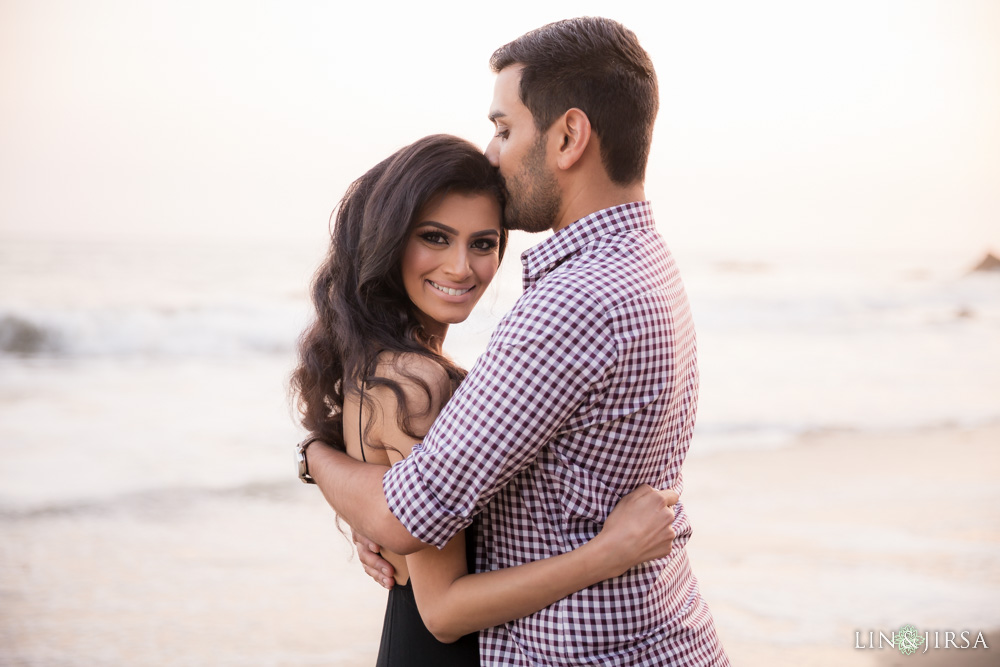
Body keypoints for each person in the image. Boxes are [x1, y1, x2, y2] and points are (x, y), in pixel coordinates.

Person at [305, 17, 730, 666]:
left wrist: (313, 456)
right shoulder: (648, 264)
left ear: (568, 136)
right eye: (437, 237)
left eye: (505, 128)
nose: (493, 152)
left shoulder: (571, 304)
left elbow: (406, 514)